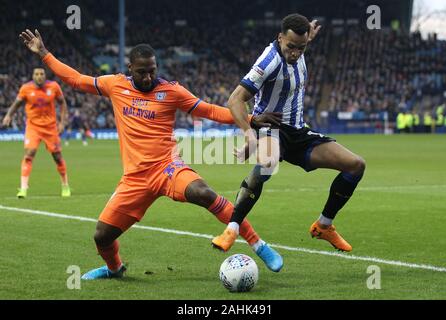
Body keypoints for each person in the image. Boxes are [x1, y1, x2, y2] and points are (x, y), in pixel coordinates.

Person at [19, 29, 284, 279]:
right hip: (135, 179)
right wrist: (44, 53)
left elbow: (210, 111)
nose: (148, 77)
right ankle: (114, 269)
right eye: (142, 72)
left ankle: (258, 245)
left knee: (203, 193)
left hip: (167, 168)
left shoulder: (171, 91)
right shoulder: (115, 85)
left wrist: (251, 118)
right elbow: (76, 79)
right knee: (102, 236)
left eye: (152, 71)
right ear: (130, 68)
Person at [212, 14, 366, 254]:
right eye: (291, 47)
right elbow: (234, 100)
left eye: (301, 48)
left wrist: (308, 37)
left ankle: (324, 225)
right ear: (280, 38)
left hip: (299, 132)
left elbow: (300, 42)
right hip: (271, 127)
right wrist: (249, 134)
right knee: (268, 163)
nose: (295, 53)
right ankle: (232, 228)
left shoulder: (298, 45)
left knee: (356, 165)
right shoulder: (268, 62)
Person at [1, 67, 71, 198]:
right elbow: (16, 103)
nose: (39, 76)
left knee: (57, 157)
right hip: (33, 127)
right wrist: (8, 115)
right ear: (33, 76)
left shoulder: (54, 87)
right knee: (29, 154)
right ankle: (23, 188)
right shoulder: (26, 88)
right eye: (36, 74)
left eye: (42, 74)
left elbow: (62, 103)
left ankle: (65, 185)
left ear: (45, 76)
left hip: (50, 128)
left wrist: (62, 122)